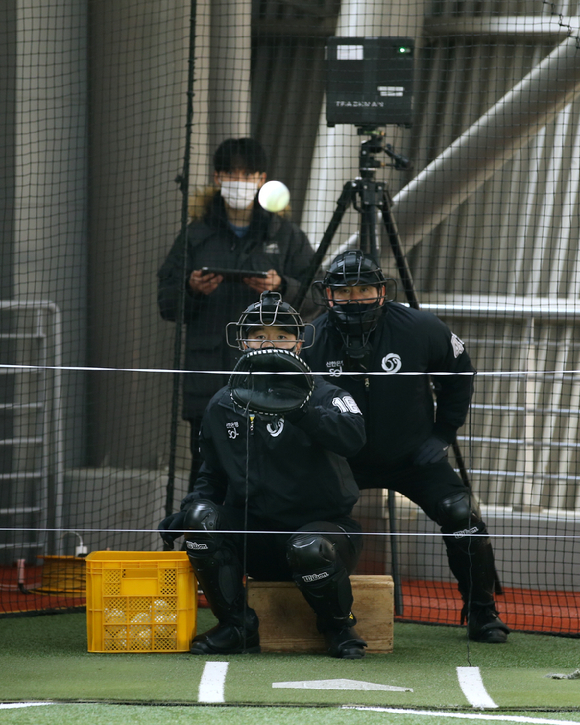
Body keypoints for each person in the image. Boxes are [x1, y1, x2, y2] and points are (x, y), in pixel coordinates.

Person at [301, 249, 510, 644]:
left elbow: (460, 374)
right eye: (344, 292)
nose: (354, 299)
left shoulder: (420, 327)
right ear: (327, 296)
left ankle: (482, 612)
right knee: (303, 531)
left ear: (382, 291)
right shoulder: (310, 338)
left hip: (413, 457)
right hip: (341, 462)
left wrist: (442, 433)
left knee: (461, 513)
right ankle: (324, 617)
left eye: (364, 289)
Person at [158, 292, 368, 658]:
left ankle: (338, 627)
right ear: (242, 341)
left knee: (309, 548)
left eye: (282, 336)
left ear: (300, 343)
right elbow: (212, 475)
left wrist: (301, 411)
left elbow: (355, 438)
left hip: (323, 534)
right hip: (253, 536)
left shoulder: (325, 394)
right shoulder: (222, 403)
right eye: (259, 335)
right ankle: (237, 626)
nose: (270, 343)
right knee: (201, 520)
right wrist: (191, 508)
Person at [157, 138, 314, 489]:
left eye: (248, 174)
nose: (239, 182)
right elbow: (167, 303)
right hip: (209, 378)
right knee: (209, 473)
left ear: (262, 179)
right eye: (231, 174)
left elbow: (316, 294)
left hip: (274, 378)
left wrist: (282, 287)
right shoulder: (195, 236)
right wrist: (192, 289)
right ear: (217, 177)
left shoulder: (286, 236)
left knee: (274, 471)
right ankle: (207, 540)